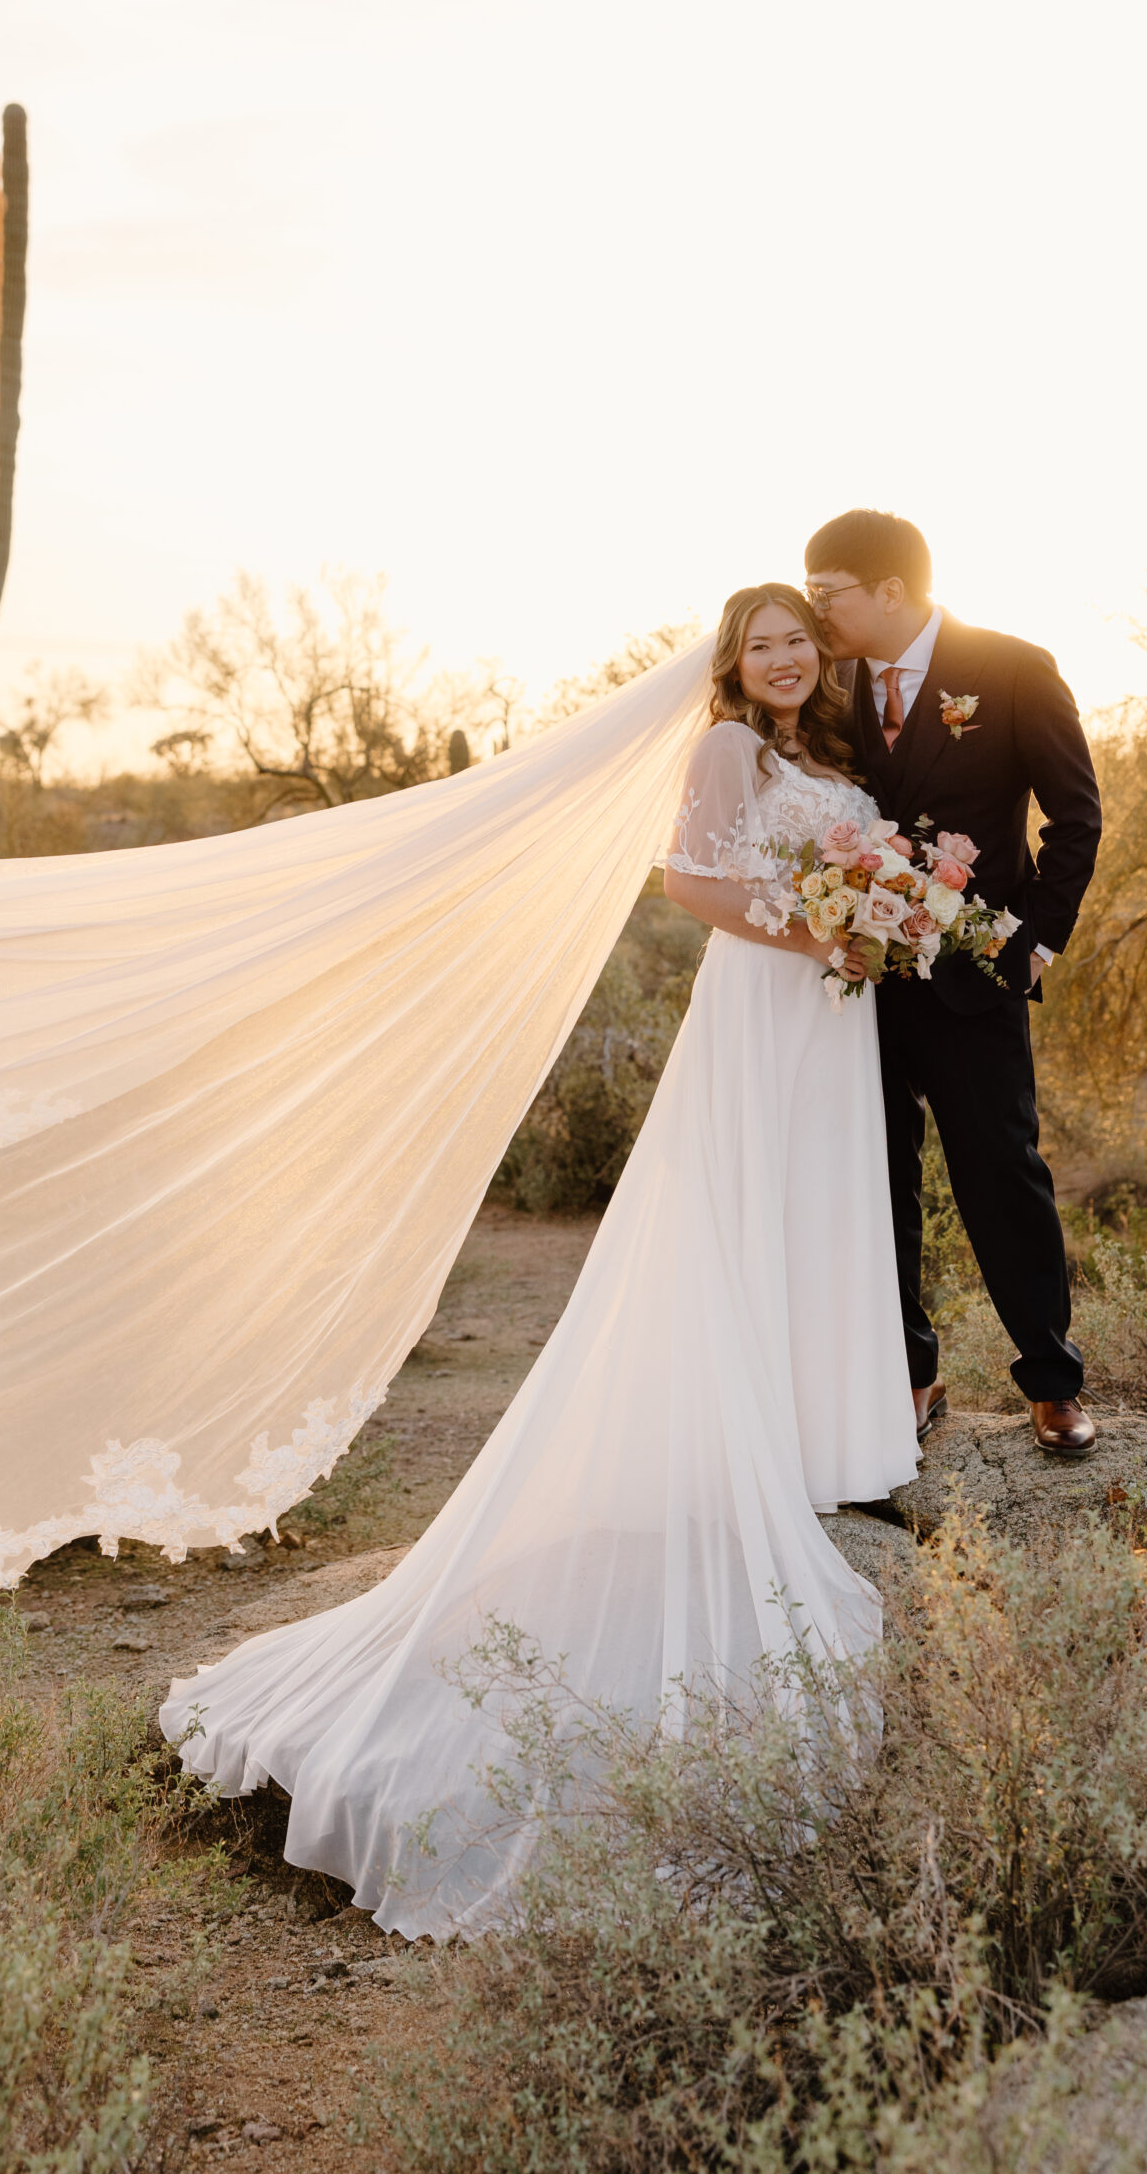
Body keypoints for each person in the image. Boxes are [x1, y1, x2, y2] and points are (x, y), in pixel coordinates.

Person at [158, 584, 921, 1937]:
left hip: (828, 1013)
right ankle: (749, 1432)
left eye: (798, 640)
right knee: (750, 1207)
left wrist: (875, 921)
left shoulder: (830, 761)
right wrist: (820, 931)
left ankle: (815, 1433)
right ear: (732, 665)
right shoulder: (723, 752)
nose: (786, 658)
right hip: (765, 1004)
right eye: (763, 645)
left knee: (821, 1205)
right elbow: (688, 884)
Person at [802, 510, 1102, 1456]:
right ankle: (910, 1374)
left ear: (889, 592)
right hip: (858, 985)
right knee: (876, 1179)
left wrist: (1033, 944)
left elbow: (1074, 818)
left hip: (976, 980)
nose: (815, 615)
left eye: (826, 595)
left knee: (1000, 1174)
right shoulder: (825, 690)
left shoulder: (1011, 667)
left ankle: (1051, 1380)